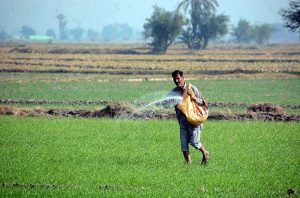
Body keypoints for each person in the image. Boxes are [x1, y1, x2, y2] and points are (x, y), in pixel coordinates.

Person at [169, 70, 209, 164]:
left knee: (194, 143)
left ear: (183, 78)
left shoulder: (192, 88)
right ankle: (189, 166)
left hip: (193, 121)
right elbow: (167, 103)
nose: (177, 81)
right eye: (175, 79)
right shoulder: (174, 92)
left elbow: (203, 103)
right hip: (182, 122)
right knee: (183, 145)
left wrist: (193, 97)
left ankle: (205, 152)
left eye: (178, 79)